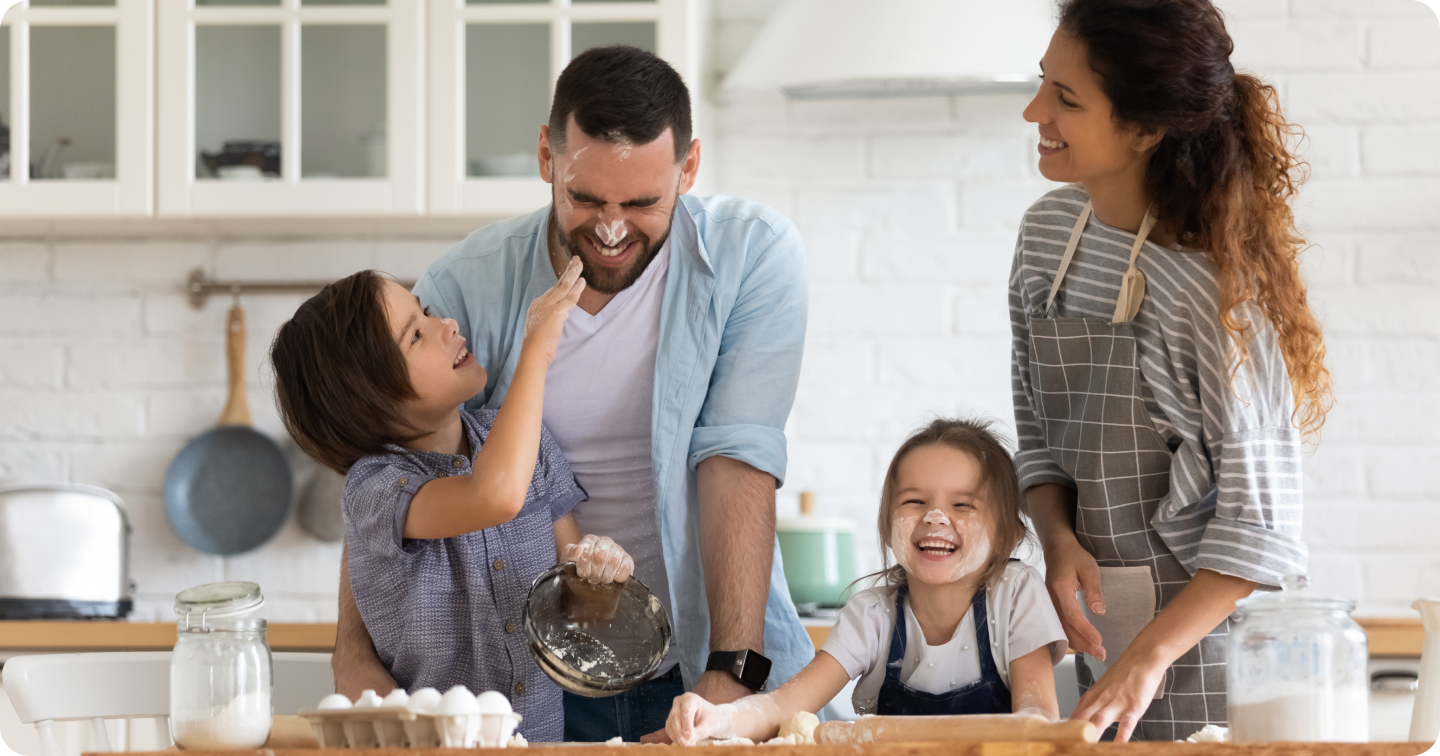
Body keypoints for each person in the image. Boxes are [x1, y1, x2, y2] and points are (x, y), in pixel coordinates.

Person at [330, 44, 814, 743]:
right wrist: (353, 651)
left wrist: (729, 675)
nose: (612, 230)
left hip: (706, 668)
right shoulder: (465, 285)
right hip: (526, 686)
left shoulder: (752, 257)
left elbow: (736, 460)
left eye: (643, 203)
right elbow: (386, 466)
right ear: (546, 159)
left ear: (690, 168)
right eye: (586, 199)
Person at [1009, 0, 1334, 742]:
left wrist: (1148, 657)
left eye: (1066, 98)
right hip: (1106, 633)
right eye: (1041, 84)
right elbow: (1037, 431)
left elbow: (1260, 530)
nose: (1034, 112)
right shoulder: (1045, 237)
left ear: (1146, 129)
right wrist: (1057, 539)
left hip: (1219, 659)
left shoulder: (1210, 297)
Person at [270, 261, 637, 743]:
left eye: (426, 313)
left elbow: (574, 612)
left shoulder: (530, 446)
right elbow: (493, 495)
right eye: (415, 336)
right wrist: (537, 352)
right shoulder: (375, 491)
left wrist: (599, 576)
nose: (446, 325)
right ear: (370, 397)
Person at [664, 419, 1069, 745]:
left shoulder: (1016, 594)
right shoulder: (874, 615)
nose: (935, 517)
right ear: (886, 521)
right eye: (915, 501)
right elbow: (785, 706)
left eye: (962, 505)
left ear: (1007, 536)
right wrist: (717, 718)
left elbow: (1037, 722)